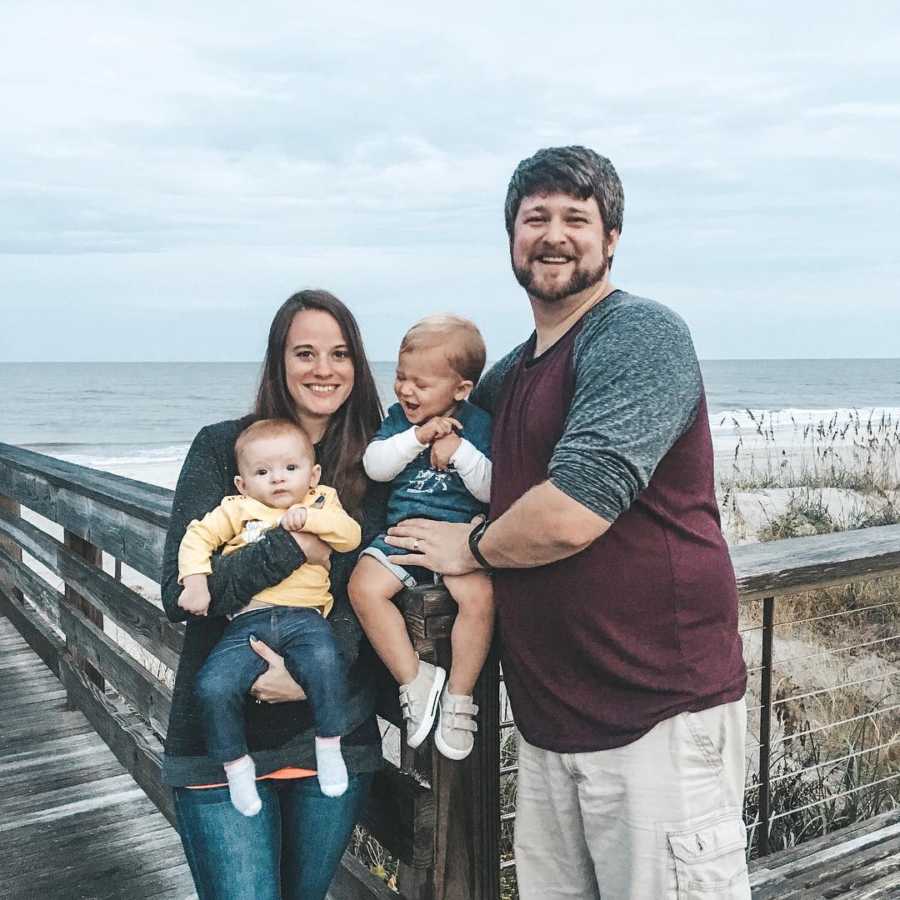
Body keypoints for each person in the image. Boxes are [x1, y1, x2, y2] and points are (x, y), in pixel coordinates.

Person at [385, 147, 751, 899]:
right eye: (535, 218)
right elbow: (418, 429)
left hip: (657, 715)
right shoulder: (511, 375)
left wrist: (472, 545)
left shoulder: (637, 336)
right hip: (550, 723)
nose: (553, 235)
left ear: (611, 237)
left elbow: (574, 510)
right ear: (512, 240)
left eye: (575, 219)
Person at [161, 290, 386, 900]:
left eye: (340, 353)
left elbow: (381, 593)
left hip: (332, 731)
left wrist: (315, 671)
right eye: (305, 352)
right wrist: (295, 548)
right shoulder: (221, 448)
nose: (324, 369)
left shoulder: (378, 465)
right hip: (218, 741)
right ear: (278, 361)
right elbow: (174, 591)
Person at [178, 418, 362, 812]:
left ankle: (329, 745)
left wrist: (308, 520)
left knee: (326, 662)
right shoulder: (237, 508)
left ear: (312, 475)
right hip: (247, 623)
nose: (278, 480)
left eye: (290, 469)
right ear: (243, 484)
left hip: (306, 617)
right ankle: (236, 764)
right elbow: (197, 536)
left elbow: (350, 536)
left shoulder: (320, 501)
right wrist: (195, 581)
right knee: (212, 686)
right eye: (263, 472)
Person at [349, 315, 494, 761]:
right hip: (403, 536)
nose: (406, 391)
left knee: (480, 601)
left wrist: (461, 452)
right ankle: (415, 679)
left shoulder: (479, 424)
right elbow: (375, 466)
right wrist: (416, 438)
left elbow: (493, 487)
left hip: (458, 545)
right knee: (363, 588)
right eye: (400, 378)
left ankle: (459, 698)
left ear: (461, 389)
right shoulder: (398, 422)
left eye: (421, 384)